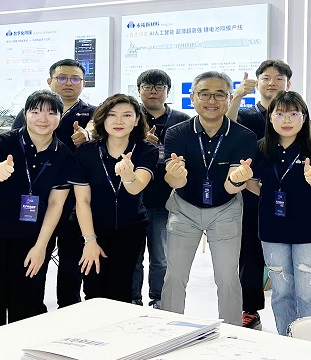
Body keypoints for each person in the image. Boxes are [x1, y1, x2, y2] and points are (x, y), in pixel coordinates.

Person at [0, 90, 74, 330]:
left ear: (60, 117)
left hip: (31, 240)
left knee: (26, 307)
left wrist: (41, 247)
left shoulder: (64, 155)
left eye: (51, 112)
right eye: (35, 111)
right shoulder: (4, 142)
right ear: (25, 114)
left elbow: (56, 204)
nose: (43, 118)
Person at [162, 72, 257, 325]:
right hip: (184, 208)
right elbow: (174, 181)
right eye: (204, 94)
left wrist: (237, 179)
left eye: (219, 94)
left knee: (227, 277)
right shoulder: (177, 133)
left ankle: (232, 332)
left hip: (225, 209)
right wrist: (176, 175)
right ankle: (169, 329)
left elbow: (230, 187)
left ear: (230, 98)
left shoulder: (243, 136)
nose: (211, 101)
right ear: (192, 97)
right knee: (175, 275)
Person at [245, 91, 311, 336]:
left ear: (304, 117)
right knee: (281, 292)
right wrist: (265, 193)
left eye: (294, 114)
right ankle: (286, 339)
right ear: (270, 117)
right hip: (272, 227)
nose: (287, 120)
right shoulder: (261, 148)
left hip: (309, 229)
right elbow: (252, 182)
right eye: (280, 114)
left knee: (309, 292)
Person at [12, 59, 95, 306]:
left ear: (84, 83)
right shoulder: (32, 110)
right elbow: (17, 143)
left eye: (75, 78)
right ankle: (33, 308)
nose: (68, 83)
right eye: (61, 78)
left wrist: (88, 135)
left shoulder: (93, 113)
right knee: (36, 255)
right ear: (50, 81)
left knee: (71, 260)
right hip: (37, 198)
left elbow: (98, 131)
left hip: (74, 201)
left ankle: (68, 307)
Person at [71, 94, 159, 302]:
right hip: (92, 228)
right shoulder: (86, 152)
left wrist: (128, 176)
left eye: (127, 115)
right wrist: (90, 240)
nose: (119, 121)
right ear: (102, 118)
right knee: (93, 289)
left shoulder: (146, 150)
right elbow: (82, 201)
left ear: (137, 120)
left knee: (121, 290)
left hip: (130, 229)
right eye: (112, 115)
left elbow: (136, 188)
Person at [228, 60, 294, 329]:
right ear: (257, 83)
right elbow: (227, 126)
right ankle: (250, 309)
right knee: (250, 254)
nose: (272, 83)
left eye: (279, 79)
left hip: (286, 194)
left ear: (288, 84)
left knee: (286, 254)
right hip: (251, 193)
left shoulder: (295, 114)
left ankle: (291, 311)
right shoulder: (246, 115)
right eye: (266, 78)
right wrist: (237, 96)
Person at [132, 69, 189, 308]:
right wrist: (140, 142)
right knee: (133, 257)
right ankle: (132, 299)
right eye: (147, 86)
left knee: (161, 257)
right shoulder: (130, 116)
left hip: (165, 199)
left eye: (159, 87)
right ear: (139, 91)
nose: (153, 92)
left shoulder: (182, 119)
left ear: (168, 91)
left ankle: (158, 299)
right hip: (133, 199)